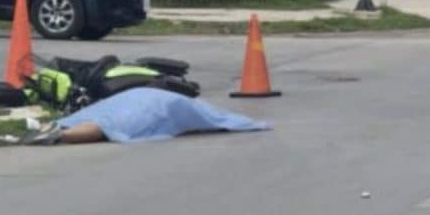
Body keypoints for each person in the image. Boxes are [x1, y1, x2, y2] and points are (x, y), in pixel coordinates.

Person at [19, 87, 269, 145]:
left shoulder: (158, 93)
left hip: (126, 102)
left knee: (103, 120)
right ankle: (60, 135)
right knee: (108, 127)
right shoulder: (185, 106)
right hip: (143, 111)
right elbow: (214, 120)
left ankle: (56, 129)